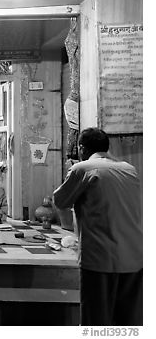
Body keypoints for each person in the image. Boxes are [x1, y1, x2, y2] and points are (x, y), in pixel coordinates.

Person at [53, 127, 142, 326]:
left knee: (96, 321)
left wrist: (73, 171)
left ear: (81, 148)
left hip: (100, 258)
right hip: (134, 257)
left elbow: (60, 201)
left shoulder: (83, 169)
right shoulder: (129, 169)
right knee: (128, 322)